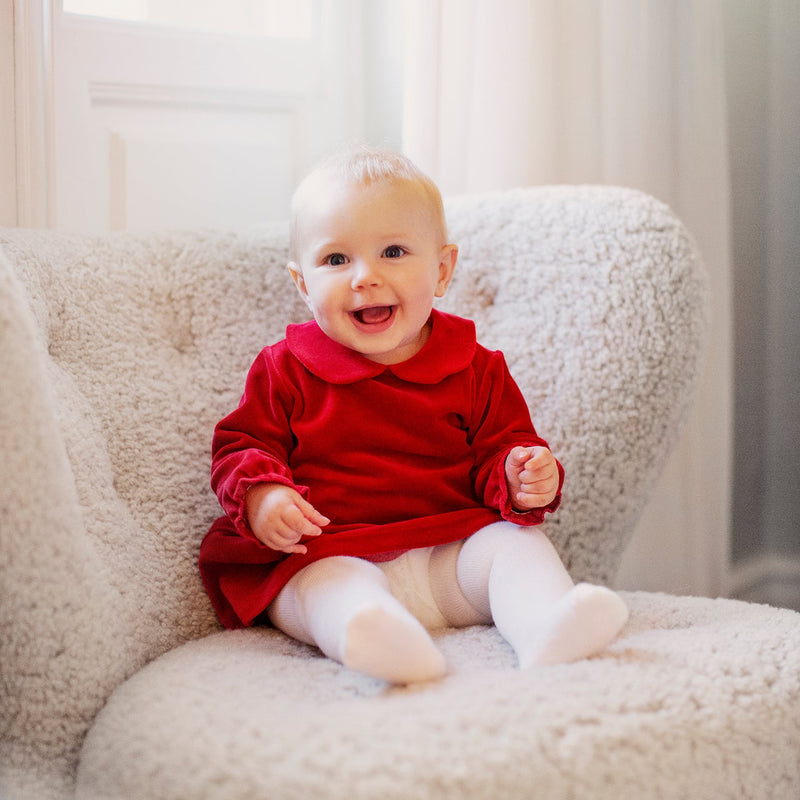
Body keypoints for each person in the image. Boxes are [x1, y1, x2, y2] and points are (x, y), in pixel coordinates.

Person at [199, 147, 629, 684]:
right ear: (303, 283)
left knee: (515, 545)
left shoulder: (474, 366)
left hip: (447, 559)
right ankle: (376, 639)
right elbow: (243, 448)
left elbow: (503, 447)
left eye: (393, 251)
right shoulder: (285, 368)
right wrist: (263, 496)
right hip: (332, 550)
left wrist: (521, 474)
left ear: (442, 269)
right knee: (323, 589)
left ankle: (545, 628)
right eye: (336, 260)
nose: (364, 278)